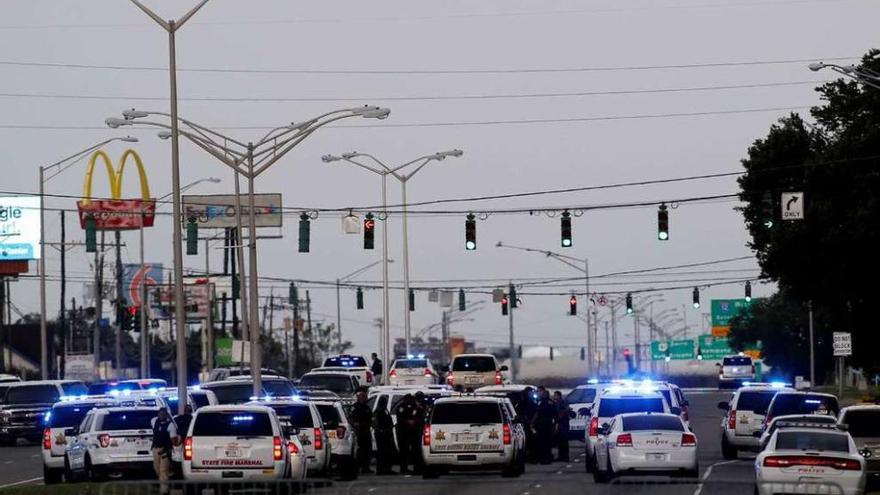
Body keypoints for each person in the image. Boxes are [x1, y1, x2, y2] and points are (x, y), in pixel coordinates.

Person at [151, 408, 180, 494]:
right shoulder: (154, 421)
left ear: (166, 415)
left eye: (164, 414)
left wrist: (177, 441)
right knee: (157, 469)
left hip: (165, 450)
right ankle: (165, 483)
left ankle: (164, 491)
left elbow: (173, 441)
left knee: (163, 471)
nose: (162, 415)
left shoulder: (170, 425)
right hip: (155, 449)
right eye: (160, 414)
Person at [395, 394, 424, 474]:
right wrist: (408, 422)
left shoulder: (416, 407)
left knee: (415, 450)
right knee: (404, 451)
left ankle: (417, 468)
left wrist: (414, 421)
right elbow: (400, 419)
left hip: (413, 432)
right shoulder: (401, 407)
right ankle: (404, 468)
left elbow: (419, 416)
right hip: (403, 432)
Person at [350, 390, 374, 474]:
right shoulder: (355, 407)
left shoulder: (366, 408)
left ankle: (366, 468)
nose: (365, 399)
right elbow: (351, 419)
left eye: (365, 397)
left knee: (367, 450)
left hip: (366, 431)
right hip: (358, 432)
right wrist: (355, 425)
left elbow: (370, 418)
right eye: (363, 397)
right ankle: (357, 468)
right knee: (359, 451)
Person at [532, 388, 557, 465]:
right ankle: (548, 459)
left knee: (542, 442)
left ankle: (543, 459)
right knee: (548, 442)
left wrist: (532, 422)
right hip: (549, 424)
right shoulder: (551, 402)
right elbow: (555, 414)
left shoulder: (540, 402)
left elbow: (537, 413)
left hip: (542, 424)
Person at [373, 396, 396, 475]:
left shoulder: (385, 410)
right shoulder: (378, 411)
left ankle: (387, 468)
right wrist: (381, 430)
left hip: (387, 434)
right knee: (382, 452)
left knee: (388, 452)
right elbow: (375, 424)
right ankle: (381, 469)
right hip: (381, 435)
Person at [516, 387, 538, 463]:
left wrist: (531, 422)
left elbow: (536, 412)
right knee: (527, 442)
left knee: (532, 442)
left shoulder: (531, 402)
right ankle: (530, 457)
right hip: (525, 424)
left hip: (530, 424)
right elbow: (518, 413)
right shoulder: (522, 402)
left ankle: (532, 457)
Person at [553, 391, 571, 462]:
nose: (554, 397)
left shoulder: (562, 401)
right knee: (560, 441)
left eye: (555, 395)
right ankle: (561, 456)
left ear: (558, 395)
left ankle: (565, 457)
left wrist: (561, 415)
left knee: (564, 441)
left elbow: (567, 409)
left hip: (564, 423)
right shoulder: (556, 402)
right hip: (560, 423)